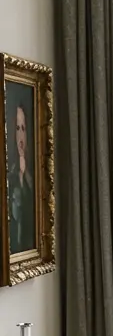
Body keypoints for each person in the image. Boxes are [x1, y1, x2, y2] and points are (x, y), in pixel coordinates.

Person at [8, 99, 35, 254]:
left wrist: (24, 174)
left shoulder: (33, 174)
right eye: (17, 128)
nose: (20, 136)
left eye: (23, 128)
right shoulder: (10, 171)